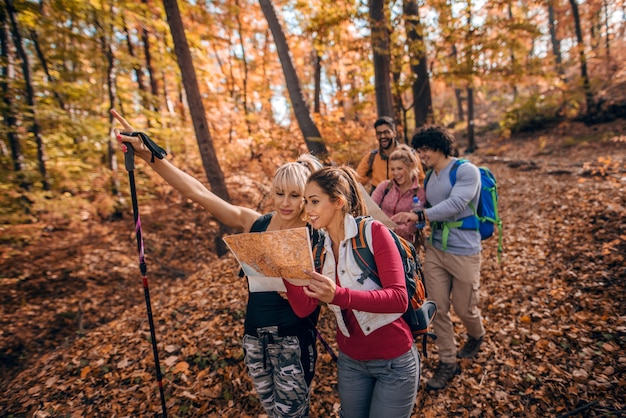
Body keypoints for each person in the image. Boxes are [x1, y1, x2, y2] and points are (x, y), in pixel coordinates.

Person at [111, 109, 323, 418]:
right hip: (255, 339)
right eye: (280, 193)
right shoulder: (255, 223)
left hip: (293, 341)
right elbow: (199, 193)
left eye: (295, 195)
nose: (286, 202)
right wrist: (149, 156)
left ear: (307, 198)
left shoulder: (314, 233)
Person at [283, 166, 419, 418]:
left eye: (314, 201)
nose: (307, 209)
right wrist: (286, 272)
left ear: (338, 201)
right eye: (305, 202)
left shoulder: (373, 232)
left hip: (394, 361)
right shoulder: (318, 248)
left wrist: (339, 295)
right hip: (351, 362)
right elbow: (304, 308)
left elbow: (399, 299)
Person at [391, 125, 485, 391]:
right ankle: (447, 361)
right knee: (438, 308)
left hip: (464, 250)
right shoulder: (430, 177)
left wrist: (420, 216)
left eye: (425, 149)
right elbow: (430, 210)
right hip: (435, 250)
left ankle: (477, 335)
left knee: (466, 308)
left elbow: (456, 204)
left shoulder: (466, 171)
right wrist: (416, 222)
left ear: (439, 146)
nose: (421, 156)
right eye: (419, 151)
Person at [371, 144, 425, 244]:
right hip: (380, 241)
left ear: (411, 166)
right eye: (392, 169)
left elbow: (413, 226)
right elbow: (370, 208)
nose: (395, 173)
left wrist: (390, 229)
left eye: (399, 168)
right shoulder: (385, 186)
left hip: (405, 245)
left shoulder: (419, 193)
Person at [356, 116, 424, 194]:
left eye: (386, 132)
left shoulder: (409, 154)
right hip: (378, 200)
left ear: (394, 133)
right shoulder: (371, 157)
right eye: (379, 133)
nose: (382, 136)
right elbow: (357, 180)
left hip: (404, 198)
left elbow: (420, 180)